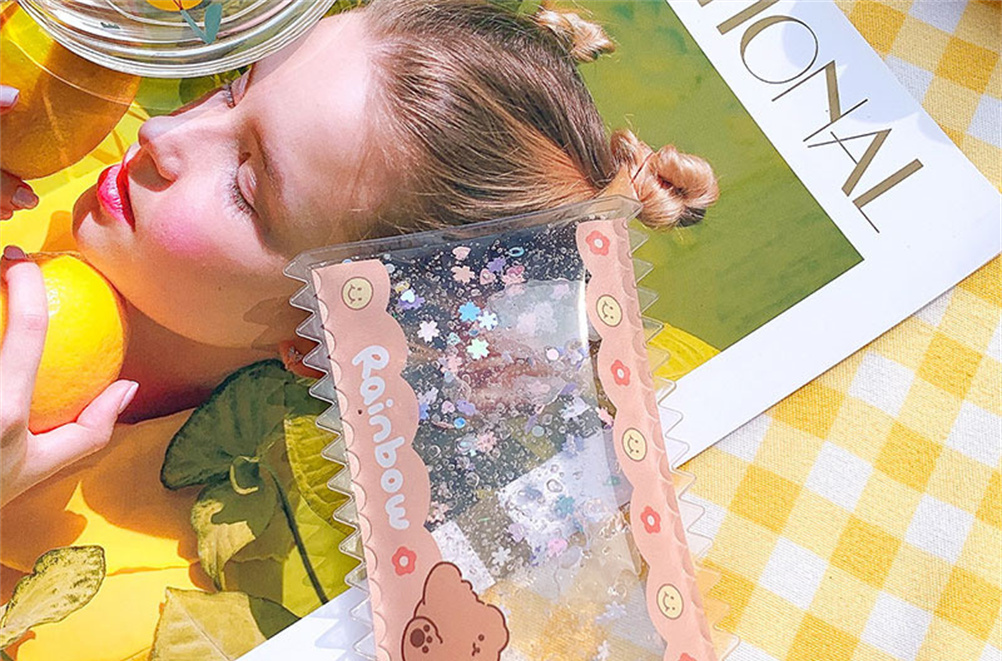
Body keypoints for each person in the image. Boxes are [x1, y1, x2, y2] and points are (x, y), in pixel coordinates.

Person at [1, 0, 718, 505]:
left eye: (246, 188)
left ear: (327, 341)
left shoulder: (173, 575)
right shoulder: (34, 115)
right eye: (230, 90)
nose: (160, 134)